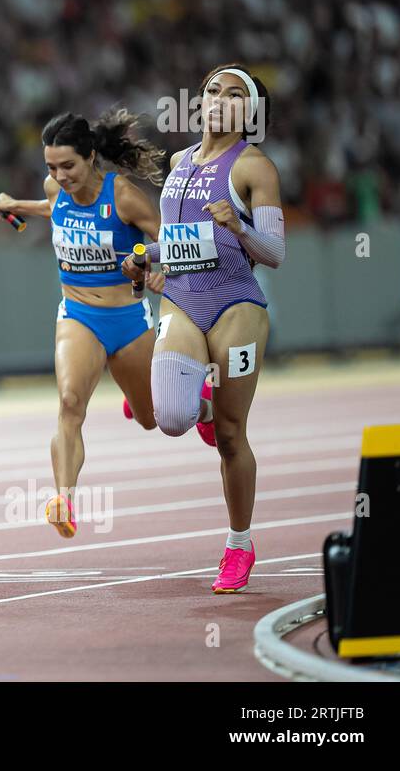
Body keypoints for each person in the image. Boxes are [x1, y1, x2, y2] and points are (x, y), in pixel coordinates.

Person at [123, 64, 286, 594]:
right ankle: (199, 400)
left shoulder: (256, 168)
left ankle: (239, 545)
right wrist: (149, 266)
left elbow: (276, 254)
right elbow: (179, 247)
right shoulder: (178, 161)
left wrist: (237, 225)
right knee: (170, 417)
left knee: (232, 436)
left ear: (250, 114)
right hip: (182, 298)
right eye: (212, 90)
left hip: (236, 303)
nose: (218, 99)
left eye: (234, 94)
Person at [0, 109, 168, 537]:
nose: (59, 175)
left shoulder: (121, 195)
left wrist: (157, 264)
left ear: (90, 157)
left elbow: (165, 236)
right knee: (70, 403)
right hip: (78, 314)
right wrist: (17, 206)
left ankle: (171, 402)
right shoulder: (55, 188)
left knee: (151, 418)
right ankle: (63, 500)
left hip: (128, 318)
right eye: (51, 167)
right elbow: (55, 206)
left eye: (68, 165)